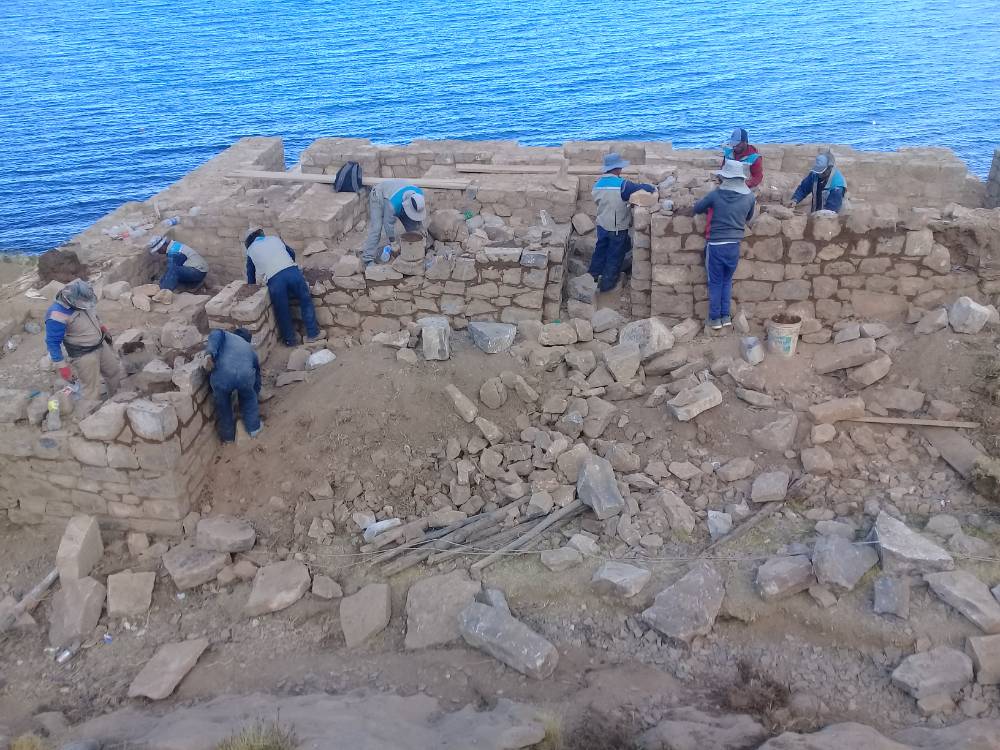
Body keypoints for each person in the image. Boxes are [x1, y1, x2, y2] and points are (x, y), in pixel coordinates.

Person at [691, 160, 757, 330]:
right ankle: (726, 316)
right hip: (734, 245)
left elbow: (697, 208)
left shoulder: (716, 195)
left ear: (725, 177)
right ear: (741, 179)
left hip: (715, 245)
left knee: (715, 282)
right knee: (727, 281)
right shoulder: (749, 197)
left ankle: (714, 319)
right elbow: (749, 218)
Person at [44, 278, 124, 410]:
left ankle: (116, 404)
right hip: (83, 354)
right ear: (71, 300)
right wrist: (62, 366)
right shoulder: (56, 315)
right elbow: (52, 343)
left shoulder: (83, 298)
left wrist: (102, 328)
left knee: (113, 372)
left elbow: (94, 316)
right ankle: (93, 417)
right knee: (91, 389)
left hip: (100, 344)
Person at [589, 153, 656, 294]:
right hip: (618, 227)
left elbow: (598, 202)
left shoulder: (597, 185)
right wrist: (653, 188)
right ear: (617, 169)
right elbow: (642, 187)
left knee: (600, 250)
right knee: (614, 255)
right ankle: (607, 285)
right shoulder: (623, 185)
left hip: (602, 224)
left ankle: (592, 277)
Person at [244, 227, 321, 347]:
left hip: (275, 280)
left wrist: (251, 287)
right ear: (261, 234)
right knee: (305, 300)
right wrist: (287, 264)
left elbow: (250, 272)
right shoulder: (274, 239)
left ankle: (290, 341)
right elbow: (291, 252)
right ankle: (313, 334)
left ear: (248, 241)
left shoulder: (250, 250)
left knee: (282, 309)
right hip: (292, 272)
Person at [204, 328, 261, 444]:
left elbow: (215, 334)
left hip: (222, 375)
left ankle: (228, 437)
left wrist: (209, 353)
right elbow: (257, 375)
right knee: (249, 398)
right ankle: (254, 429)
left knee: (223, 406)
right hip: (245, 376)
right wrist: (255, 392)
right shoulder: (250, 349)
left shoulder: (226, 335)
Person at [360, 179, 426, 266]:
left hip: (399, 197)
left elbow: (417, 211)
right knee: (376, 228)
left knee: (414, 229)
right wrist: (393, 243)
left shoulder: (419, 194)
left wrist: (420, 226)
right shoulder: (393, 205)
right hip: (379, 195)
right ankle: (367, 259)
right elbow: (388, 224)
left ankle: (411, 252)